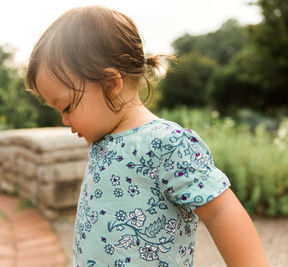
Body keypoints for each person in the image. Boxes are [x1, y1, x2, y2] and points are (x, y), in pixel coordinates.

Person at [25, 6, 269, 267]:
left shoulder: (166, 143)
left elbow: (221, 212)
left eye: (67, 107)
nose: (65, 120)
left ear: (110, 84)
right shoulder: (104, 141)